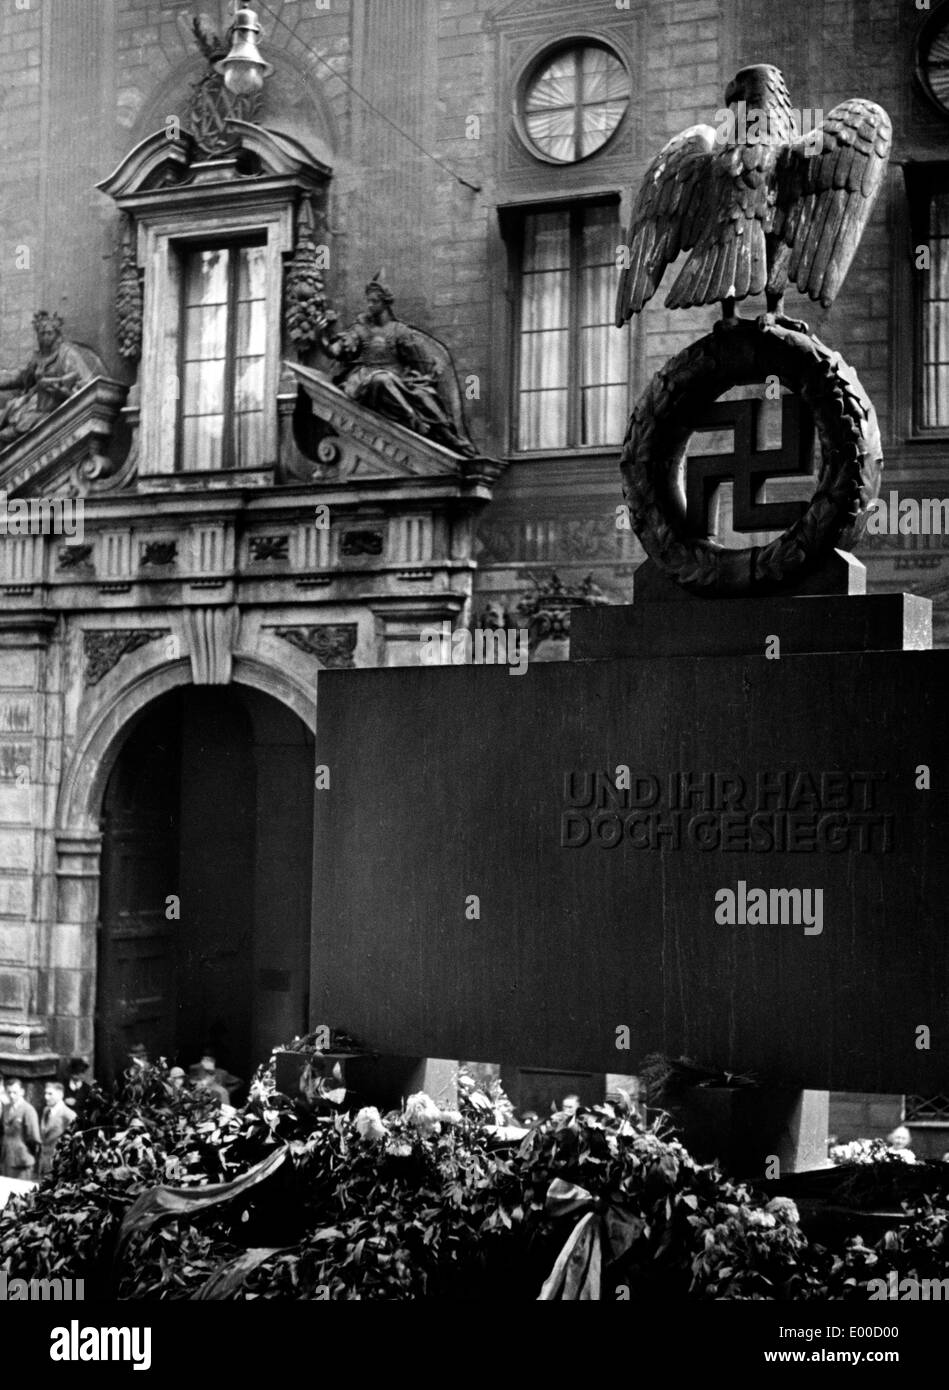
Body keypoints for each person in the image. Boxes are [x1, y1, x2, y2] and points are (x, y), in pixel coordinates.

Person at [320, 277, 474, 454]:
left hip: (399, 379)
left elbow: (419, 363)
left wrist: (428, 375)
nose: (370, 305)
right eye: (368, 301)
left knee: (425, 396)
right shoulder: (359, 329)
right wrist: (320, 335)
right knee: (381, 379)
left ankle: (451, 438)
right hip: (367, 380)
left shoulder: (400, 331)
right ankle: (414, 419)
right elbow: (333, 352)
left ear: (385, 303)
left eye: (374, 301)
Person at [0, 311, 94, 444]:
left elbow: (87, 384)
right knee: (10, 410)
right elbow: (21, 377)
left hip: (52, 405)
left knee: (13, 429)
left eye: (49, 333)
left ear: (56, 334)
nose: (45, 338)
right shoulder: (38, 358)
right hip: (32, 402)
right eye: (42, 334)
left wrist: (64, 391)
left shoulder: (67, 355)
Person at [1, 1078, 40, 1179]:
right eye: (9, 1092)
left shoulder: (28, 1110)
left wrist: (25, 1153)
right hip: (6, 1159)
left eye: (15, 1092)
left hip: (22, 1161)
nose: (11, 1095)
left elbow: (34, 1138)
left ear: (22, 1092)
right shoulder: (6, 1107)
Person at [39, 1082, 74, 1179]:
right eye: (45, 1093)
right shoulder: (46, 1111)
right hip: (43, 1164)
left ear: (60, 1095)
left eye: (50, 1094)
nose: (46, 1097)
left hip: (57, 1166)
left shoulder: (69, 1115)